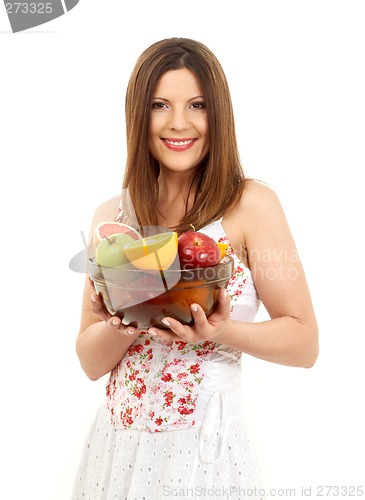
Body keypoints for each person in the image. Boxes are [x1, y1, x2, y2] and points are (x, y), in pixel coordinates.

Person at [72, 37, 319, 500]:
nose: (179, 122)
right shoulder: (114, 218)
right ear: (137, 115)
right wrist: (118, 321)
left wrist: (218, 330)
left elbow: (304, 342)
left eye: (197, 104)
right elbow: (89, 362)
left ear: (218, 115)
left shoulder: (249, 206)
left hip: (204, 458)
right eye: (160, 104)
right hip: (116, 451)